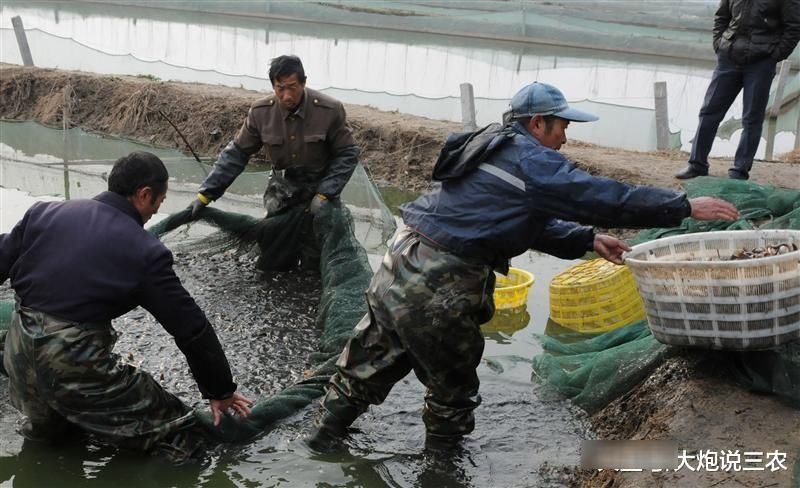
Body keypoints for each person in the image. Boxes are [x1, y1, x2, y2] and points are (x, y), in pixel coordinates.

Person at [308, 82, 740, 451]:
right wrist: (681, 204)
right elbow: (597, 195)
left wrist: (587, 238)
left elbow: (508, 220)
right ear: (538, 124)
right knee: (452, 393)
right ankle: (441, 470)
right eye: (562, 126)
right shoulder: (531, 159)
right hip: (439, 279)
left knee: (363, 368)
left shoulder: (487, 148)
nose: (565, 138)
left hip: (399, 262)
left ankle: (318, 445)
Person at [0, 152, 252, 456]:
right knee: (180, 435)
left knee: (51, 441)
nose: (158, 209)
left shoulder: (44, 213)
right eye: (160, 200)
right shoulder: (144, 251)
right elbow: (191, 328)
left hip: (18, 351)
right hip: (70, 359)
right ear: (145, 195)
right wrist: (220, 390)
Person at [187, 54, 360, 268]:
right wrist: (206, 194)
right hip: (281, 192)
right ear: (273, 86)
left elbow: (348, 154)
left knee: (315, 257)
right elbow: (237, 154)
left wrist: (326, 193)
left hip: (319, 191)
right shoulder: (261, 113)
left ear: (304, 82)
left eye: (292, 87)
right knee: (274, 250)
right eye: (280, 88)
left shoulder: (329, 110)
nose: (286, 95)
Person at [675, 0, 800, 181]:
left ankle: (739, 171)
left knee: (752, 118)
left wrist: (774, 56)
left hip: (761, 62)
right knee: (709, 111)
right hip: (728, 58)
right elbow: (722, 17)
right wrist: (720, 44)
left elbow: (794, 27)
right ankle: (696, 164)